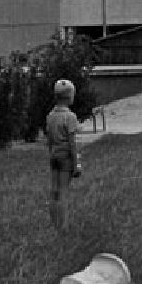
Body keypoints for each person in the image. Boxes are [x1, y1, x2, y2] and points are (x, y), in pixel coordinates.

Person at [45, 78, 82, 232]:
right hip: (66, 157)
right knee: (64, 192)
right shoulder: (70, 117)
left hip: (54, 156)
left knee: (54, 191)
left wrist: (51, 154)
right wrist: (76, 164)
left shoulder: (51, 116)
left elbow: (49, 139)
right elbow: (72, 143)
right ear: (69, 97)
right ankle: (64, 226)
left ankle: (54, 225)